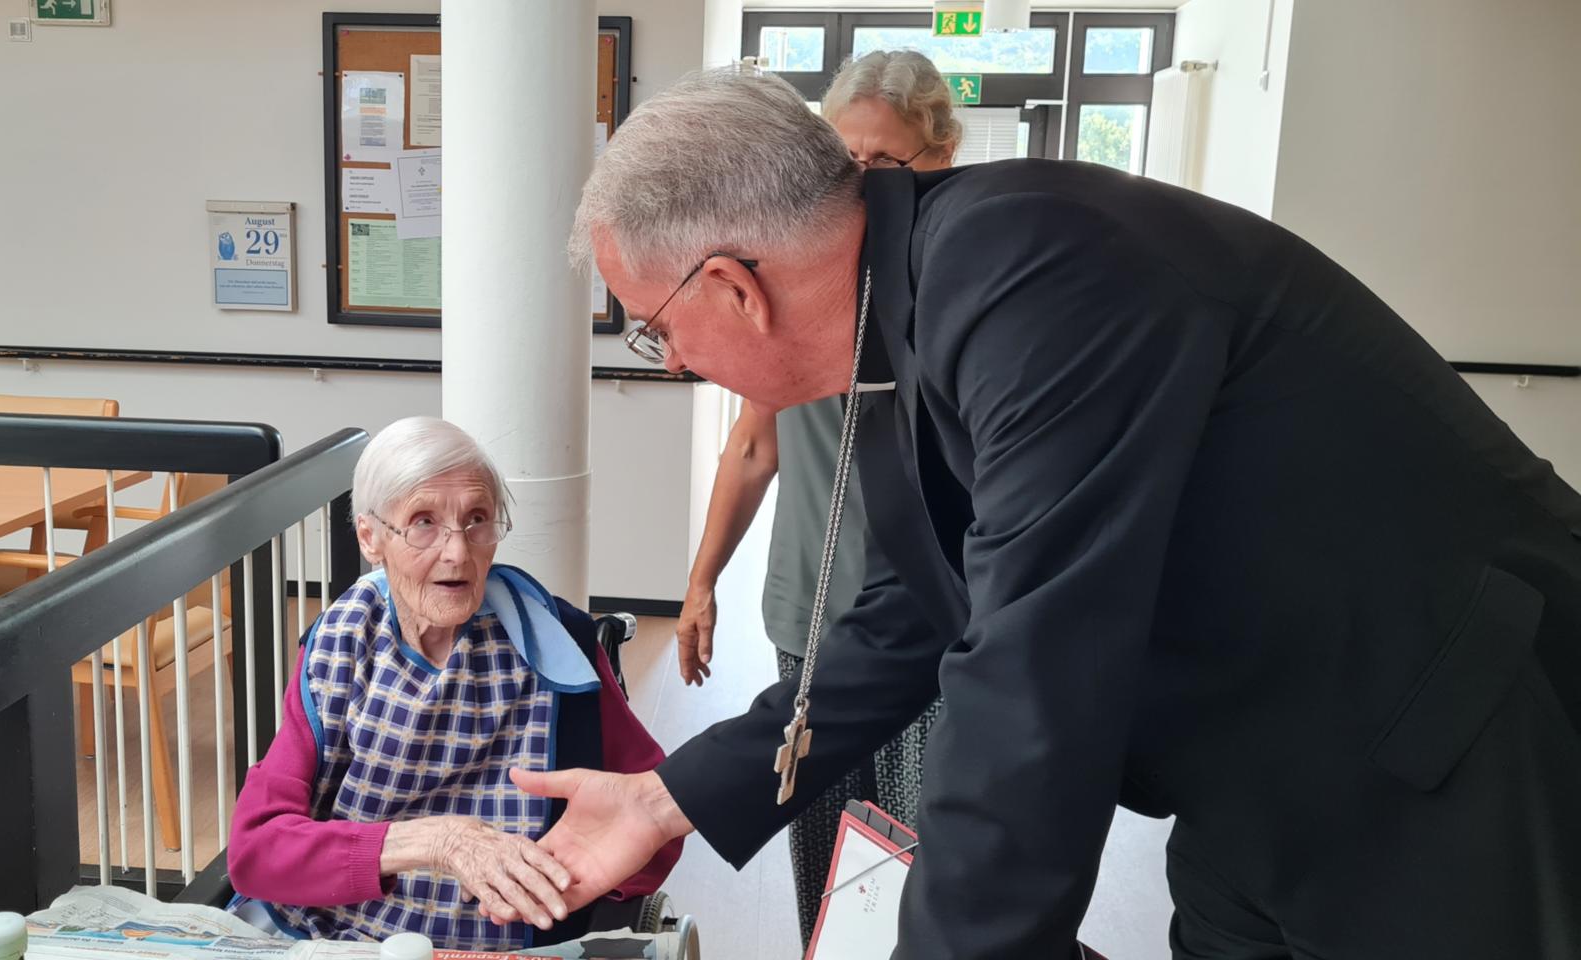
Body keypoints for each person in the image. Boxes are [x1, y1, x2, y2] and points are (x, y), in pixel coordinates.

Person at [510, 67, 1581, 958]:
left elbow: (1031, 670)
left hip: (1435, 741)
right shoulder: (902, 317)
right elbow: (914, 616)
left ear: (735, 288)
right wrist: (668, 800)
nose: (677, 361)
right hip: (1255, 771)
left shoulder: (1036, 270)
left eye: (656, 329)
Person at [675, 48, 957, 947]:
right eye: (847, 164)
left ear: (941, 153)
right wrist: (701, 580)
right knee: (825, 845)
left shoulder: (953, 292)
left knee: (919, 852)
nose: (863, 183)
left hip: (930, 629)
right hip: (811, 612)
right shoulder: (797, 285)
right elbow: (754, 445)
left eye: (886, 162)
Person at [228, 417, 680, 951]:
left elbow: (653, 818)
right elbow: (256, 852)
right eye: (423, 522)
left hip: (513, 939)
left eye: (477, 519)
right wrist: (438, 840)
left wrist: (563, 878)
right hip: (347, 934)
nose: (458, 553)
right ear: (371, 538)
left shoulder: (561, 645)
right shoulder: (339, 643)